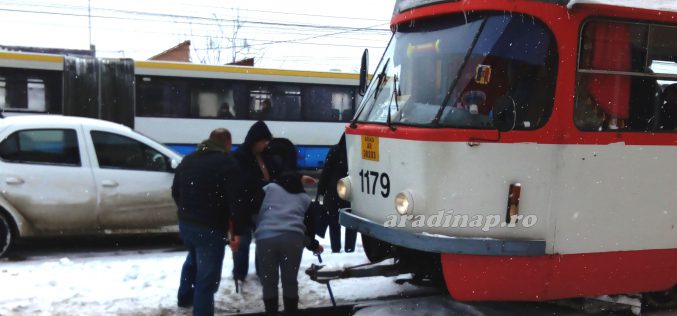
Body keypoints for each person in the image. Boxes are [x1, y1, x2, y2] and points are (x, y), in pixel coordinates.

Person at [172, 128, 242, 316]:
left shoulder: (188, 160)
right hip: (210, 227)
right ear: (227, 143)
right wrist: (237, 230)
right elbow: (234, 199)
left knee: (193, 259)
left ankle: (185, 297)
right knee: (207, 279)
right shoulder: (226, 163)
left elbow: (175, 191)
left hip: (187, 224)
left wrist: (186, 211)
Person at [255, 170, 324, 316]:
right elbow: (308, 231)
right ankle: (291, 312)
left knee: (269, 282)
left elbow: (253, 209)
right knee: (290, 280)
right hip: (292, 240)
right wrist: (314, 245)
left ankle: (271, 312)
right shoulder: (305, 199)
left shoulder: (269, 189)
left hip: (265, 239)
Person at [231, 120, 278, 284]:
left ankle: (262, 271)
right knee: (243, 242)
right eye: (263, 141)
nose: (265, 145)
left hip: (263, 205)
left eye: (267, 142)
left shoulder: (266, 156)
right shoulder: (239, 157)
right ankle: (239, 273)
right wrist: (265, 184)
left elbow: (275, 173)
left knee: (263, 242)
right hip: (244, 206)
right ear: (254, 140)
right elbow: (244, 183)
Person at [316, 133, 357, 253]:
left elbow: (326, 171)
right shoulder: (356, 153)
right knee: (351, 222)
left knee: (334, 222)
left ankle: (336, 249)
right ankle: (349, 249)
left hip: (333, 191)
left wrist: (321, 190)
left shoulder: (335, 150)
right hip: (351, 193)